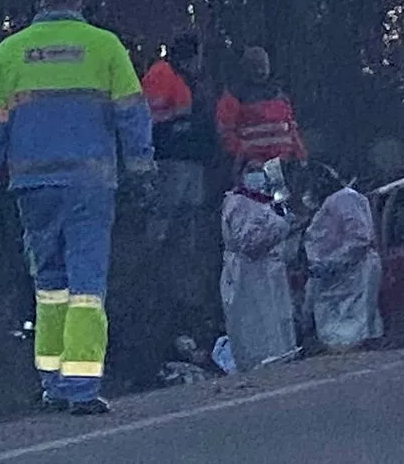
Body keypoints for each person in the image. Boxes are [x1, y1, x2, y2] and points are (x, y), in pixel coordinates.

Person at [0, 0, 155, 415]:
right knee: (86, 286)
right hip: (89, 185)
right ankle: (82, 388)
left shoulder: (10, 52)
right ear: (78, 2)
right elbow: (132, 115)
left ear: (41, 2)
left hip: (32, 188)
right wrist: (143, 171)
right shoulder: (104, 46)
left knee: (49, 286)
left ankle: (51, 383)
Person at [219, 161, 299, 372]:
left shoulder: (265, 203)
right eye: (250, 170)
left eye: (259, 170)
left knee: (276, 317)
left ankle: (281, 357)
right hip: (247, 274)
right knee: (255, 323)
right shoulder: (238, 202)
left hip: (268, 271)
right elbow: (249, 243)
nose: (257, 175)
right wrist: (282, 228)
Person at [140, 34, 216, 244]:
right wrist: (178, 115)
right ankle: (154, 253)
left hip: (193, 154)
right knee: (166, 207)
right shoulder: (162, 73)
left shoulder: (194, 79)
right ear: (190, 56)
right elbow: (147, 114)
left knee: (191, 209)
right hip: (170, 154)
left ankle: (184, 259)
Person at [299, 163, 383, 351]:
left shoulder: (344, 198)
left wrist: (334, 261)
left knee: (354, 328)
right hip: (336, 276)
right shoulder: (330, 203)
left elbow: (360, 237)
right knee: (338, 329)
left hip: (354, 272)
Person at [215, 46, 307, 175]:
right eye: (255, 66)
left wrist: (300, 156)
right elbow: (226, 133)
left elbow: (291, 129)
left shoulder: (278, 95)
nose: (260, 70)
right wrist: (243, 157)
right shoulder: (234, 96)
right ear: (245, 68)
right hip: (252, 168)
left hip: (283, 166)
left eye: (263, 66)